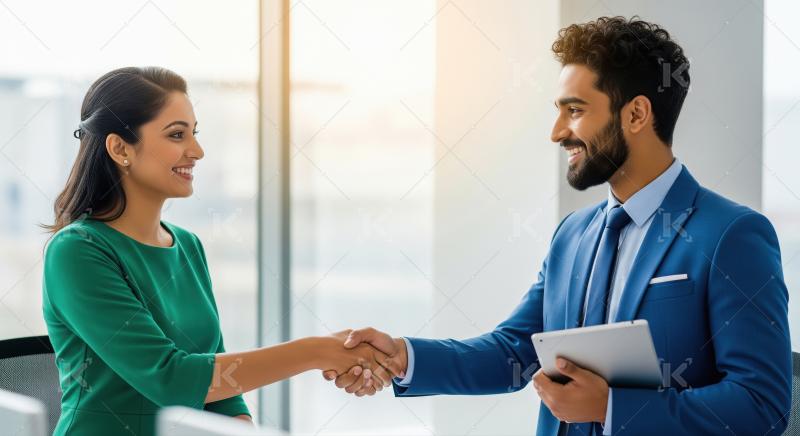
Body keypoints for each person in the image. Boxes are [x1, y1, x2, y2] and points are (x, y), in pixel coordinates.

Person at [325, 16, 791, 435]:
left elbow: (762, 404)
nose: (556, 131)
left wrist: (613, 408)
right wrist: (402, 356)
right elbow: (514, 352)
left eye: (574, 110)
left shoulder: (732, 235)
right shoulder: (573, 233)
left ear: (636, 114)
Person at [42, 67, 400, 435]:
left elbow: (220, 386)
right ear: (120, 148)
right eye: (177, 135)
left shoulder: (188, 247)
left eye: (193, 134)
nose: (196, 151)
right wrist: (317, 351)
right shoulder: (78, 252)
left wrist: (240, 428)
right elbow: (171, 379)